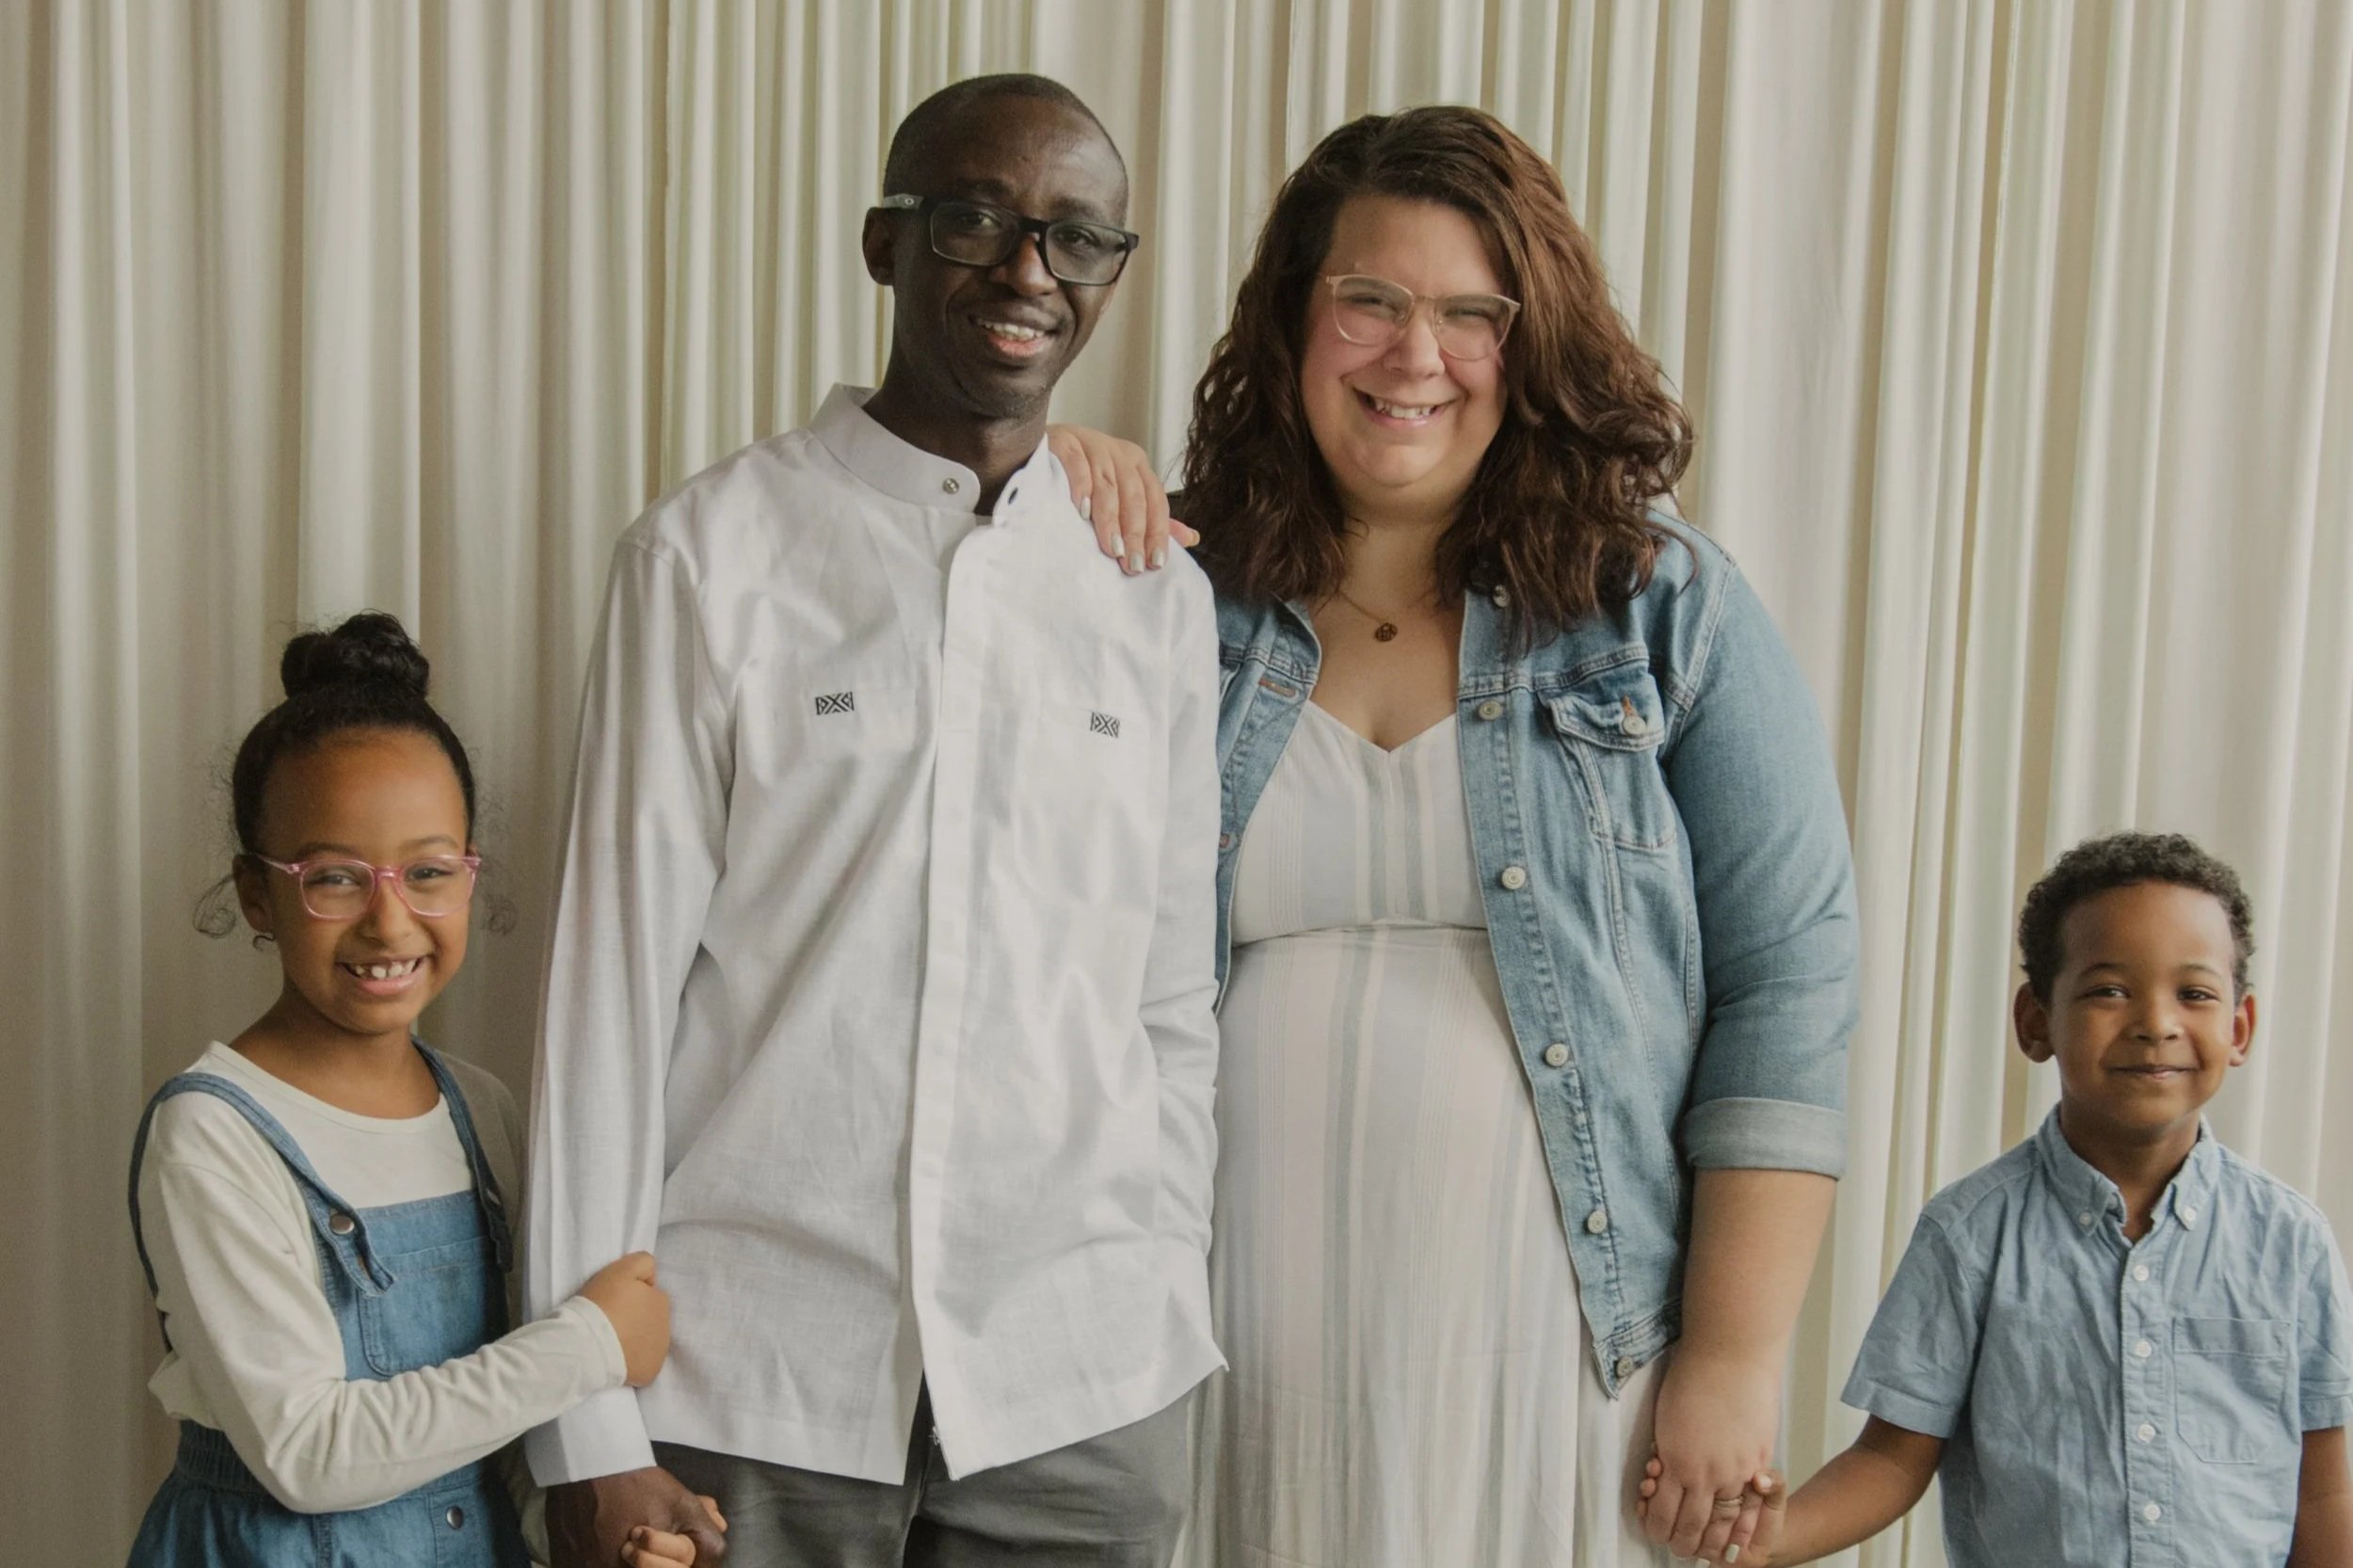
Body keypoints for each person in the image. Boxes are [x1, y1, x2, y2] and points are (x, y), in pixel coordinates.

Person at [1051, 104, 1859, 1567]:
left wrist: (1733, 1357)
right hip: (1223, 1337)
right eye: (1368, 300)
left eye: (1469, 313)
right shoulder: (1169, 599)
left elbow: (1792, 983)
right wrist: (1053, 482)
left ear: (1529, 342)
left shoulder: (1661, 604)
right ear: (1296, 319)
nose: (1414, 356)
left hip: (1556, 1348)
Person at [523, 73, 1224, 1568]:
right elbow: (609, 1005)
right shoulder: (709, 557)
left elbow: (1169, 1001)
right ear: (882, 243)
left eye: (1077, 238)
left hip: (1080, 1390)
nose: (1030, 270)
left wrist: (1163, 1280)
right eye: (977, 219)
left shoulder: (1152, 594)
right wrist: (585, 1421)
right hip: (748, 1378)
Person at [126, 613, 712, 1568]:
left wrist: (596, 1535)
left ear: (470, 877)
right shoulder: (211, 1134)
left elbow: (494, 1448)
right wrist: (591, 1344)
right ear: (255, 895)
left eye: (429, 871)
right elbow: (309, 1453)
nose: (390, 919)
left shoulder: (484, 1110)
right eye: (336, 879)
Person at [1647, 831, 2353, 1567]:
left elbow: (2322, 1493)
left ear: (2239, 1029)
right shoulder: (1969, 1233)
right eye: (2109, 990)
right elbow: (1891, 1461)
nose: (2157, 1023)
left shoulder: (2291, 1242)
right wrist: (1766, 1540)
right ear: (2035, 1022)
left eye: (2195, 993)